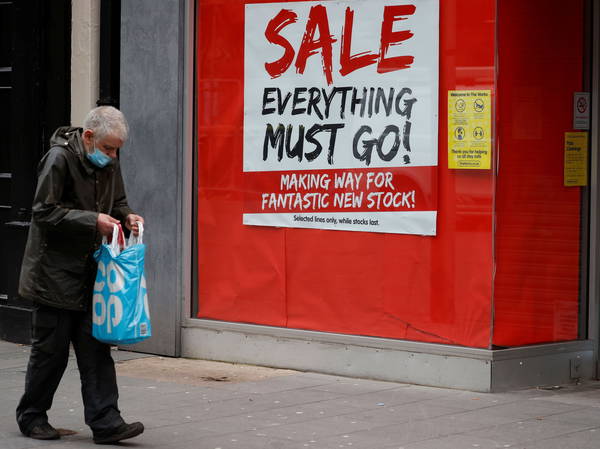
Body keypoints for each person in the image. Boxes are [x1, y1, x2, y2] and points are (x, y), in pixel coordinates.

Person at [15, 106, 145, 444]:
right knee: (51, 353)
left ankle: (106, 422)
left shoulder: (109, 161)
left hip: (92, 273)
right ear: (88, 137)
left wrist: (128, 216)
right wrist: (93, 221)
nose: (113, 156)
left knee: (96, 348)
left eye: (117, 150)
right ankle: (31, 417)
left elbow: (118, 201)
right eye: (107, 148)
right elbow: (44, 212)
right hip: (53, 275)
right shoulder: (58, 159)